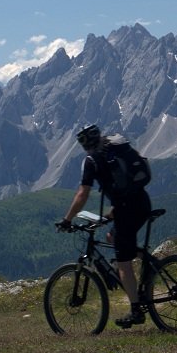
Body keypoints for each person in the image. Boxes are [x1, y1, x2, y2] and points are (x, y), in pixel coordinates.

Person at [57, 124, 152, 329]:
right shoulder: (114, 147)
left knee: (123, 261)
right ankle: (148, 262)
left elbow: (82, 194)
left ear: (83, 145)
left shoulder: (91, 161)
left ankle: (136, 310)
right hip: (141, 202)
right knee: (112, 237)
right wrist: (111, 213)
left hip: (127, 210)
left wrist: (67, 219)